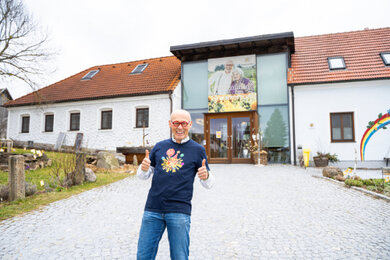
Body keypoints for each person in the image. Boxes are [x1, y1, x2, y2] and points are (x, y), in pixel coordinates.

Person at [136, 109, 214, 260]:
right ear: (170, 124)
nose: (180, 127)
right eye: (176, 123)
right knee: (143, 255)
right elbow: (143, 176)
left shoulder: (198, 150)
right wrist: (143, 168)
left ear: (189, 125)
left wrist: (206, 176)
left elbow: (208, 184)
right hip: (153, 209)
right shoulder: (159, 147)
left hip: (179, 211)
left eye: (183, 123)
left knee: (179, 257)